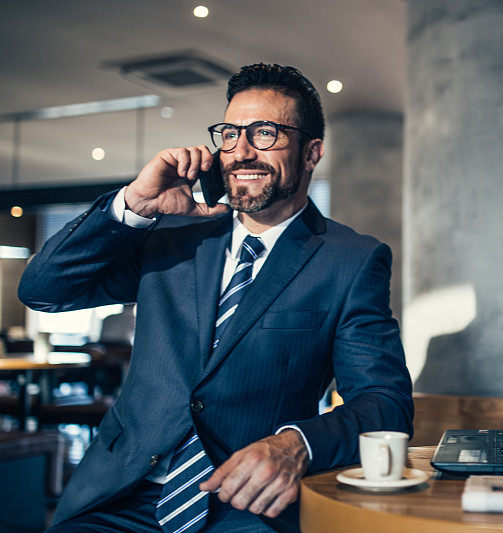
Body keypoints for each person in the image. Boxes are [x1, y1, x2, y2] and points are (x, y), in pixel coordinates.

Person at [18, 63, 413, 532]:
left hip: (248, 506)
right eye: (229, 134)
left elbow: (383, 402)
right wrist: (130, 208)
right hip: (119, 496)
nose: (241, 151)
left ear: (312, 153)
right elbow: (43, 290)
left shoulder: (350, 260)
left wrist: (295, 444)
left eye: (264, 133)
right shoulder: (171, 232)